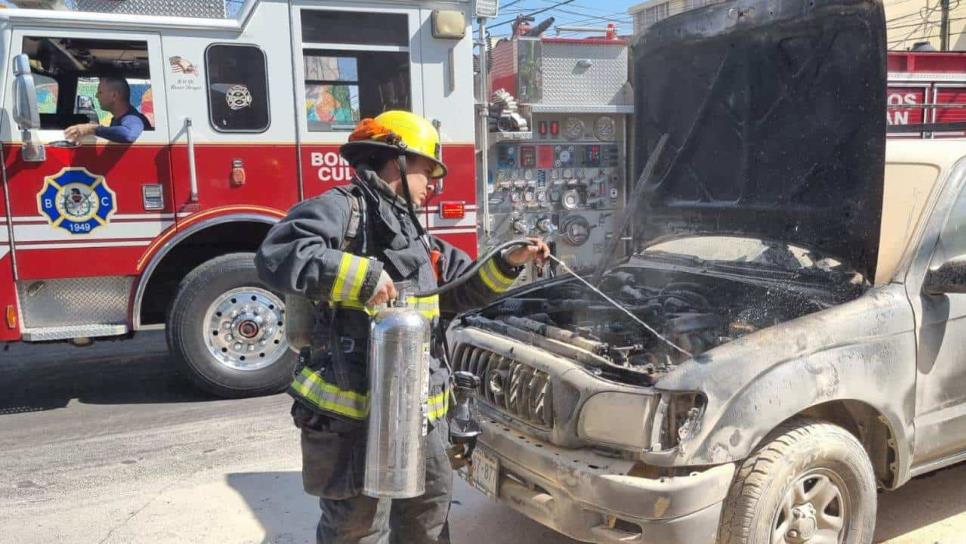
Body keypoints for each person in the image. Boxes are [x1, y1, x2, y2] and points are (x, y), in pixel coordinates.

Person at [255, 110, 549, 544]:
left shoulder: (412, 229)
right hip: (352, 418)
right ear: (396, 161)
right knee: (356, 529)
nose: (433, 184)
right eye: (427, 170)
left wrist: (508, 263)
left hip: (419, 415)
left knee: (427, 518)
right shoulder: (341, 208)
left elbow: (458, 290)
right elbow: (280, 252)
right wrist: (363, 278)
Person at [64, 77, 152, 144]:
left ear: (114, 95)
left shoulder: (133, 118)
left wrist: (92, 129)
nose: (96, 96)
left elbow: (129, 135)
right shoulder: (117, 119)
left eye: (100, 92)